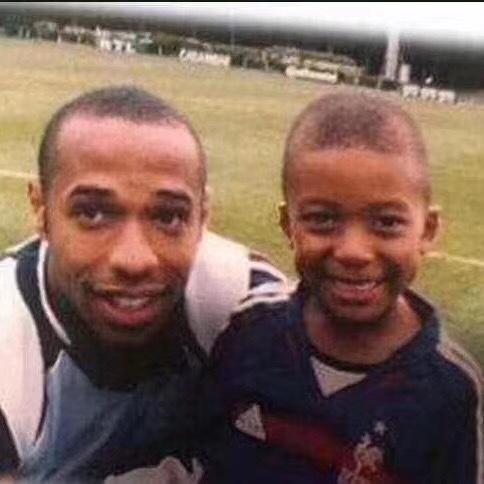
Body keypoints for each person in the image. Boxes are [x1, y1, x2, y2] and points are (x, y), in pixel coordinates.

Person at [0, 86, 286, 481]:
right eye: (92, 213)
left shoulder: (240, 300)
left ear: (202, 218)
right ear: (41, 210)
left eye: (168, 218)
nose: (134, 260)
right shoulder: (10, 346)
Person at [202, 92, 483, 483]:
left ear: (427, 230)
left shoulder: (452, 391)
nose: (353, 252)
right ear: (288, 226)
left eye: (386, 222)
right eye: (322, 219)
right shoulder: (247, 326)